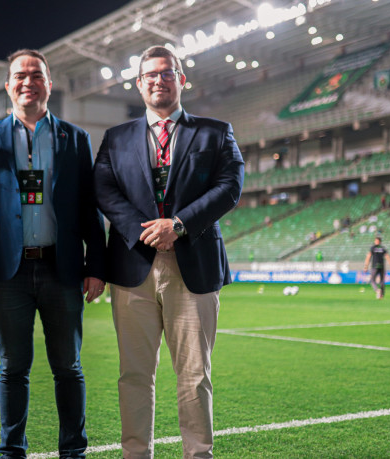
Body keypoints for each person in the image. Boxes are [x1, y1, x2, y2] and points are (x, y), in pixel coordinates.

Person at [93, 45, 244, 458]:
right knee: (134, 375)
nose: (159, 80)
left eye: (167, 73)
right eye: (150, 75)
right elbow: (104, 191)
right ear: (139, 84)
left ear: (182, 79)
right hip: (133, 268)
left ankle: (198, 454)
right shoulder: (116, 138)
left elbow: (230, 186)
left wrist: (177, 225)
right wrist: (146, 232)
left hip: (193, 265)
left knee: (195, 376)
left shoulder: (215, 132)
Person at [0, 49, 106, 458]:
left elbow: (88, 207)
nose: (28, 82)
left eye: (36, 75)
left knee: (68, 368)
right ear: (8, 86)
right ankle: (12, 451)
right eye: (20, 76)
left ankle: (73, 451)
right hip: (8, 273)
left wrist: (96, 265)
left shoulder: (75, 138)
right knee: (13, 369)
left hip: (62, 268)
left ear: (49, 85)